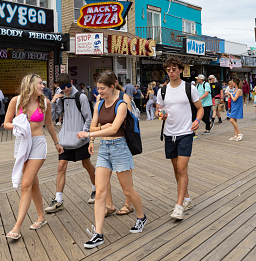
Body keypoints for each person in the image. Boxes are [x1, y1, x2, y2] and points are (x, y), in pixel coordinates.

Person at [77, 72, 147, 248]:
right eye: (98, 88)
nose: (99, 91)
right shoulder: (98, 105)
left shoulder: (121, 104)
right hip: (104, 150)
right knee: (100, 192)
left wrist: (91, 134)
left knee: (128, 191)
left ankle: (141, 217)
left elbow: (115, 128)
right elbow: (95, 124)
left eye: (102, 88)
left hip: (120, 148)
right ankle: (98, 233)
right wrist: (95, 136)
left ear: (111, 87)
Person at [3, 74, 63, 239]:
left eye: (43, 84)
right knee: (33, 182)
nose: (42, 86)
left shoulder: (45, 102)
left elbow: (49, 123)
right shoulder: (16, 101)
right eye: (39, 84)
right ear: (30, 85)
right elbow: (6, 123)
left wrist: (57, 143)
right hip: (22, 144)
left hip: (38, 144)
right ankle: (42, 217)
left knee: (26, 184)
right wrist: (17, 125)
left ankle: (17, 227)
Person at [156, 57, 203, 220]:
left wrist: (197, 121)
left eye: (174, 68)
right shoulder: (162, 90)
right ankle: (187, 198)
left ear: (181, 70)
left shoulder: (189, 88)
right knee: (177, 169)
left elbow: (200, 108)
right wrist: (159, 115)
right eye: (168, 69)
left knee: (182, 169)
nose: (171, 71)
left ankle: (179, 205)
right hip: (169, 133)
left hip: (185, 133)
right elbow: (159, 109)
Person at [45, 74, 96, 213]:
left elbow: (88, 118)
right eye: (62, 87)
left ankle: (96, 189)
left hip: (80, 139)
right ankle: (58, 200)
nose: (66, 89)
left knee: (86, 164)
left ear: (71, 82)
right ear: (58, 87)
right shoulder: (60, 95)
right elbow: (54, 117)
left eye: (68, 86)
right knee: (61, 166)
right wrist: (54, 101)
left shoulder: (81, 97)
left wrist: (84, 133)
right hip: (66, 138)